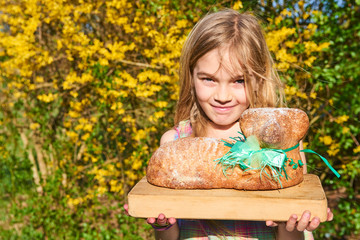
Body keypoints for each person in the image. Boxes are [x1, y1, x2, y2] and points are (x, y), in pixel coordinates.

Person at [125, 8, 333, 239]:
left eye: (238, 80)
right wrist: (162, 224)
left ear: (258, 78)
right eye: (209, 79)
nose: (222, 95)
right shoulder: (175, 143)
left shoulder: (280, 147)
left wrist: (289, 223)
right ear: (191, 76)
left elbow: (290, 234)